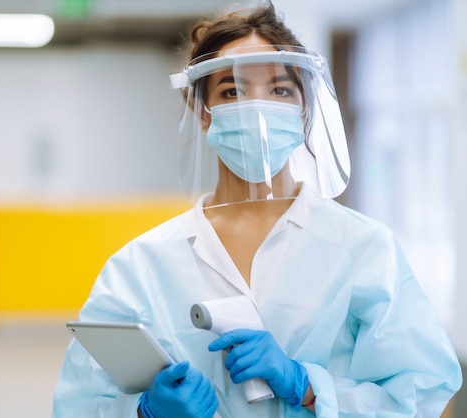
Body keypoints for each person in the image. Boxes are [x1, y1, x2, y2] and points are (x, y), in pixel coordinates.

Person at [52, 2, 462, 417]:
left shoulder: (366, 251)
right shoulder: (139, 268)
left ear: (304, 107)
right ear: (201, 111)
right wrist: (145, 412)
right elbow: (77, 405)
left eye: (279, 89)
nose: (257, 108)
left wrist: (308, 387)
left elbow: (423, 395)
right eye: (232, 91)